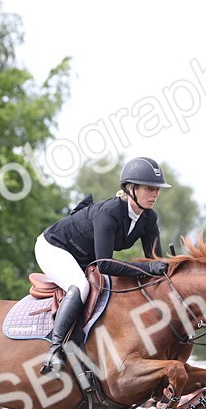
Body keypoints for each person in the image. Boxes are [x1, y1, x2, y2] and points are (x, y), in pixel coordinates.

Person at [34, 157, 171, 375]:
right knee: (80, 285)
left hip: (85, 255)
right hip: (55, 247)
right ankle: (55, 349)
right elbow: (105, 265)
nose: (155, 194)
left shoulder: (149, 218)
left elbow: (155, 261)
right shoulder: (109, 213)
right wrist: (149, 269)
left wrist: (169, 270)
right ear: (130, 188)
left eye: (157, 189)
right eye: (149, 188)